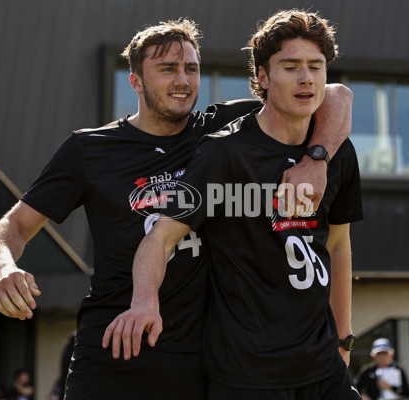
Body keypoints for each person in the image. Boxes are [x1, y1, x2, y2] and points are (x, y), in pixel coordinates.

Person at [0, 17, 353, 400]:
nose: (182, 80)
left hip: (197, 355)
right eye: (166, 69)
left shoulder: (221, 131)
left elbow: (336, 95)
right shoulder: (89, 149)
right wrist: (3, 268)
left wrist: (317, 158)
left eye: (190, 69)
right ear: (136, 82)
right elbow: (15, 225)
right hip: (113, 343)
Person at [105, 9, 363, 399]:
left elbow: (338, 245)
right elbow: (159, 239)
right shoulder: (223, 154)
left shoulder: (335, 152)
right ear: (262, 76)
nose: (306, 78)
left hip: (323, 366)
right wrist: (144, 302)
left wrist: (343, 341)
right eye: (290, 66)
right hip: (247, 373)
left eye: (315, 66)